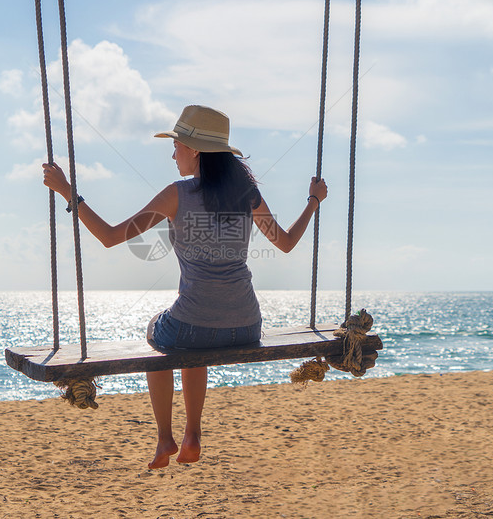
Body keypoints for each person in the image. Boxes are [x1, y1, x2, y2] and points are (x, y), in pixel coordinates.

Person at [42, 105, 327, 469]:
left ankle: (166, 437)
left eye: (177, 144)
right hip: (246, 325)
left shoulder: (177, 194)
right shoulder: (248, 194)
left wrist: (68, 192)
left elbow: (111, 237)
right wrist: (314, 201)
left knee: (160, 336)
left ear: (194, 150)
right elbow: (285, 243)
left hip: (195, 325)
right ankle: (193, 433)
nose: (172, 152)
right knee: (195, 336)